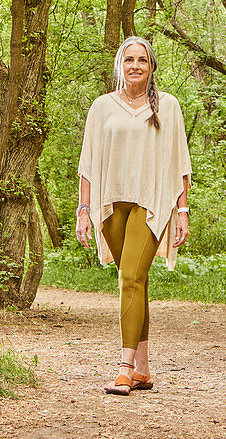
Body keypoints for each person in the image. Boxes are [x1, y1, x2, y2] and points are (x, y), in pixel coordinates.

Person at [76, 36, 191, 395]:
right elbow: (88, 163)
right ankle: (143, 369)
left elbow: (180, 162)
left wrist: (183, 209)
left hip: (150, 203)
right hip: (111, 205)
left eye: (142, 60)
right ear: (119, 65)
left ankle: (125, 368)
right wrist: (83, 209)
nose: (136, 66)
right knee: (133, 280)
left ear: (152, 67)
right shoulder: (102, 107)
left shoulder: (168, 107)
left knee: (130, 279)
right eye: (129, 60)